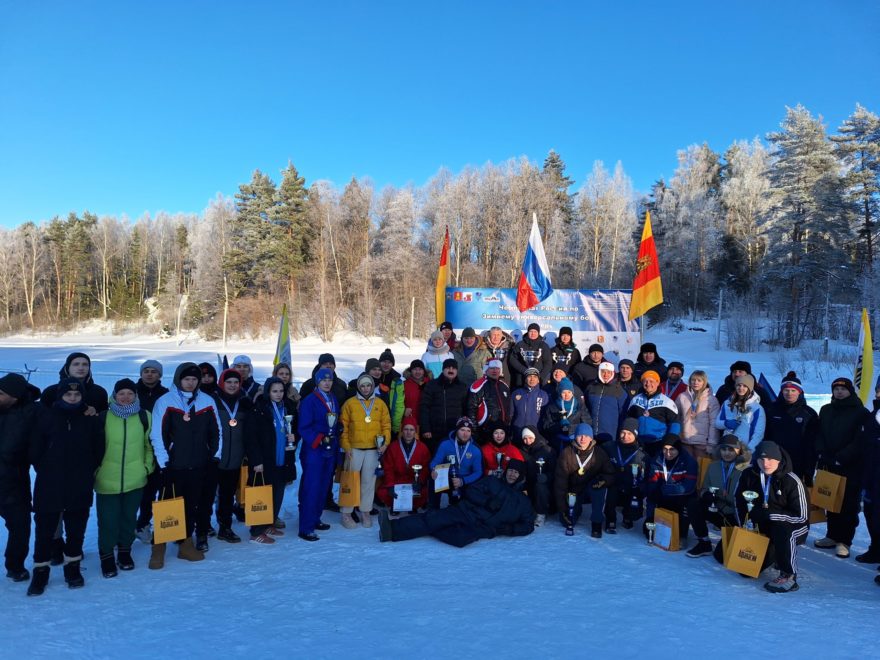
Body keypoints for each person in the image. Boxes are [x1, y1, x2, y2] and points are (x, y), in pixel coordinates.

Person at [27, 378, 104, 596]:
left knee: (76, 531)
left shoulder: (90, 420)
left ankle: (73, 570)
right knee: (44, 532)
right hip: (49, 484)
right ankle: (40, 573)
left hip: (79, 483)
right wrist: (47, 467)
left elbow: (98, 449)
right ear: (60, 396)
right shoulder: (46, 417)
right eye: (68, 395)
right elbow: (35, 449)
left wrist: (87, 467)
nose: (72, 398)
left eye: (77, 395)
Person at [149, 362, 221, 567]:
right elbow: (157, 434)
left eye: (194, 379)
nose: (190, 383)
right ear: (178, 379)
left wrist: (215, 456)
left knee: (191, 506)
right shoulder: (166, 401)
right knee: (166, 506)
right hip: (173, 465)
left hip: (199, 464)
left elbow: (217, 432)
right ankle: (159, 545)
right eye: (186, 379)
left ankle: (185, 543)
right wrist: (164, 464)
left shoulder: (207, 401)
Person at [379, 458, 535, 546]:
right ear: (506, 471)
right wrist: (487, 501)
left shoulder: (523, 501)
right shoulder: (493, 481)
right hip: (466, 511)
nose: (512, 475)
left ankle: (436, 523)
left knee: (460, 540)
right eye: (511, 471)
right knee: (432, 520)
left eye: (516, 473)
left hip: (485, 527)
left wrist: (507, 529)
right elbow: (471, 491)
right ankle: (391, 530)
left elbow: (528, 525)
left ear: (521, 476)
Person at [95, 379, 154, 578]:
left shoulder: (145, 416)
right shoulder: (103, 417)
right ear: (115, 395)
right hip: (106, 479)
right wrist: (96, 471)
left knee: (129, 518)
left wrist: (146, 467)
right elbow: (93, 448)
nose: (126, 397)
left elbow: (149, 445)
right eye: (122, 393)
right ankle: (106, 556)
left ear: (136, 396)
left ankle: (124, 551)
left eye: (130, 393)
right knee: (108, 520)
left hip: (135, 478)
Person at [734, 441, 808, 593]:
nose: (765, 463)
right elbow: (739, 501)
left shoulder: (792, 480)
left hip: (792, 526)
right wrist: (745, 524)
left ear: (779, 459)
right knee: (745, 571)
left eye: (770, 459)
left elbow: (802, 517)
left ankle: (789, 575)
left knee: (783, 532)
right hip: (762, 525)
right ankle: (773, 555)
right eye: (761, 459)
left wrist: (771, 515)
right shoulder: (749, 474)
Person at [813, 377, 871, 559]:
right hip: (829, 462)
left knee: (847, 504)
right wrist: (821, 452)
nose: (839, 392)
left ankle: (844, 541)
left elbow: (860, 440)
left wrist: (843, 456)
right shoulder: (826, 409)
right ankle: (831, 535)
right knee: (831, 500)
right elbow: (819, 432)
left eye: (843, 389)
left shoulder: (861, 412)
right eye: (836, 388)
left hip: (850, 465)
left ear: (850, 391)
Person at [246, 377, 297, 544]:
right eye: (274, 391)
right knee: (262, 496)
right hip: (265, 461)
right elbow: (251, 438)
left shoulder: (288, 406)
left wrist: (294, 436)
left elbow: (295, 428)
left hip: (283, 459)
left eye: (281, 391)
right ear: (268, 391)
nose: (279, 394)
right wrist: (256, 461)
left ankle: (269, 523)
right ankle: (256, 531)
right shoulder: (259, 409)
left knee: (277, 494)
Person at [0, 373, 40, 583]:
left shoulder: (31, 413)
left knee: (20, 527)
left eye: (1, 393)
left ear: (15, 396)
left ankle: (15, 566)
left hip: (14, 483)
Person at [684, 434, 750, 559]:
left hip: (735, 516)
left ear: (739, 450)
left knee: (721, 557)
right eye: (724, 449)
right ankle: (704, 543)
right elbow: (704, 488)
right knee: (694, 504)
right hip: (717, 509)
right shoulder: (714, 466)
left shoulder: (746, 470)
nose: (727, 453)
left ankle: (732, 538)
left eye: (731, 450)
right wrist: (707, 495)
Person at [339, 373, 392, 528]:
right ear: (358, 387)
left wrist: (385, 443)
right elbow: (344, 428)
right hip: (354, 449)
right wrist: (346, 446)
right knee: (350, 481)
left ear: (372, 386)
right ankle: (346, 513)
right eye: (362, 386)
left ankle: (365, 511)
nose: (366, 388)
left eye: (368, 385)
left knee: (369, 482)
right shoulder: (350, 404)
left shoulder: (380, 404)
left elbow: (386, 425)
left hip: (373, 449)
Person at [297, 368, 341, 542]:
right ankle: (305, 527)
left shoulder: (333, 398)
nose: (327, 382)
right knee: (312, 487)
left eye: (329, 380)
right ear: (317, 382)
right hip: (315, 450)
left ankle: (315, 518)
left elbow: (333, 421)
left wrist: (339, 428)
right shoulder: (310, 401)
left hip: (329, 449)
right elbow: (304, 427)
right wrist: (319, 439)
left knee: (323, 486)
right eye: (323, 380)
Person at [211, 368, 254, 543]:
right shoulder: (213, 400)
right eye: (228, 382)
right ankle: (202, 527)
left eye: (236, 382)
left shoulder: (244, 401)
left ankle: (225, 527)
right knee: (207, 496)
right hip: (215, 459)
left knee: (228, 495)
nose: (232, 385)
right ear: (222, 383)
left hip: (236, 458)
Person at [554, 423, 616, 538]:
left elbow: (610, 473)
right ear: (575, 437)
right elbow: (560, 482)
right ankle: (575, 510)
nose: (583, 439)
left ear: (591, 438)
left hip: (592, 488)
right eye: (580, 435)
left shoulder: (599, 453)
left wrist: (603, 481)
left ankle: (596, 523)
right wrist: (562, 508)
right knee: (567, 522)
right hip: (574, 491)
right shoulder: (567, 453)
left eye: (586, 436)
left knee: (600, 490)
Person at [763, 371, 818, 485]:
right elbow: (765, 436)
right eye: (786, 390)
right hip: (775, 459)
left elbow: (811, 444)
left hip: (798, 461)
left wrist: (809, 470)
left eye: (793, 390)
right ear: (781, 391)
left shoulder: (808, 413)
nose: (789, 393)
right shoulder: (771, 409)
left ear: (799, 392)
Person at [643, 434, 699, 541]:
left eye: (672, 449)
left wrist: (664, 489)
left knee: (690, 501)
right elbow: (652, 482)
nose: (668, 453)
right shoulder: (657, 460)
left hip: (681, 496)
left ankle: (682, 534)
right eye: (665, 449)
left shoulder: (689, 461)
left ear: (678, 449)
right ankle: (653, 525)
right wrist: (650, 517)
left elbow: (687, 487)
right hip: (664, 496)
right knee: (652, 495)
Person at [601, 418, 648, 532]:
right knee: (610, 496)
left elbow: (646, 473)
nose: (625, 436)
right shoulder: (610, 446)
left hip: (631, 484)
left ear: (635, 434)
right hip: (613, 482)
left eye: (629, 433)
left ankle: (628, 517)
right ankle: (610, 520)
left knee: (634, 494)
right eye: (623, 432)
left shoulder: (641, 454)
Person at [377, 417, 432, 514]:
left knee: (424, 492)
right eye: (406, 429)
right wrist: (390, 485)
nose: (408, 432)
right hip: (397, 480)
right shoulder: (393, 447)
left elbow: (425, 468)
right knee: (384, 492)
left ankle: (413, 505)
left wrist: (420, 482)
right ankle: (395, 505)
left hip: (413, 481)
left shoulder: (422, 448)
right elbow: (388, 468)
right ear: (402, 431)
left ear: (415, 431)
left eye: (411, 430)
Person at [418, 359, 468, 455]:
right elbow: (424, 408)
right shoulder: (432, 385)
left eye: (453, 368)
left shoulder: (462, 387)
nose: (451, 370)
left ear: (457, 371)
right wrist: (425, 428)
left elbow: (466, 409)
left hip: (455, 432)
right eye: (448, 367)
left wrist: (464, 429)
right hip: (434, 432)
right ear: (443, 369)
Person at [430, 417, 483, 503]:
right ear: (456, 430)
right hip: (447, 477)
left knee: (462, 503)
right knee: (434, 480)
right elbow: (435, 462)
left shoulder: (475, 449)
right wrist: (433, 469)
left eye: (468, 431)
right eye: (462, 430)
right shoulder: (445, 444)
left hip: (465, 479)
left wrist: (463, 481)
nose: (465, 434)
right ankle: (434, 508)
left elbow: (478, 472)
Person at [627, 371, 680, 453]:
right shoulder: (635, 400)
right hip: (638, 442)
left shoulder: (667, 401)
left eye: (651, 381)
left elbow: (675, 423)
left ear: (658, 382)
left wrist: (670, 442)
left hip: (658, 443)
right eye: (645, 381)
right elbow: (629, 420)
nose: (648, 384)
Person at [40, 352, 109, 414]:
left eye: (85, 364)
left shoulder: (99, 392)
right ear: (67, 367)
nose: (81, 368)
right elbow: (41, 417)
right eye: (76, 364)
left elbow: (104, 419)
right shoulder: (51, 391)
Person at [676, 370, 721, 460]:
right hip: (685, 441)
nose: (695, 382)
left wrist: (712, 444)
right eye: (693, 380)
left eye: (699, 380)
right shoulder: (682, 397)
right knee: (687, 470)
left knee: (701, 470)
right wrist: (676, 437)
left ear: (704, 382)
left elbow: (714, 423)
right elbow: (676, 418)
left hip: (703, 444)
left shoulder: (711, 400)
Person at [714, 374, 766, 451]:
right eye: (739, 385)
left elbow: (758, 434)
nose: (741, 388)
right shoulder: (727, 403)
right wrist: (726, 423)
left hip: (744, 449)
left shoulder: (757, 408)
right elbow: (717, 424)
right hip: (727, 447)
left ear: (750, 388)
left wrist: (749, 451)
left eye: (745, 386)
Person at [519, 425, 555, 526]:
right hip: (528, 483)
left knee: (540, 486)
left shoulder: (547, 451)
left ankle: (541, 513)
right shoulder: (521, 451)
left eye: (530, 437)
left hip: (544, 485)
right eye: (524, 438)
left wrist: (546, 477)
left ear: (536, 436)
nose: (527, 441)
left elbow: (555, 471)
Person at [467, 359, 512, 442]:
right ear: (486, 369)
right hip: (485, 431)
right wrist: (474, 431)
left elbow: (509, 409)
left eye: (497, 368)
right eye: (492, 368)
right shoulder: (478, 386)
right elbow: (471, 409)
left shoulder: (504, 386)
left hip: (502, 431)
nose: (495, 371)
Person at [543, 377, 590, 454]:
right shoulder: (551, 407)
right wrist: (559, 425)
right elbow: (546, 426)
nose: (567, 395)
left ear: (572, 393)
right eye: (563, 392)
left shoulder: (579, 406)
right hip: (557, 443)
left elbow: (587, 424)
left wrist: (571, 427)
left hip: (576, 442)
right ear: (559, 393)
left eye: (569, 392)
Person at [585, 361, 628, 445]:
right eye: (603, 371)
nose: (605, 375)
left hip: (610, 434)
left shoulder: (619, 390)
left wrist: (620, 433)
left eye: (608, 372)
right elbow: (585, 408)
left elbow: (624, 414)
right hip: (591, 433)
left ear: (612, 373)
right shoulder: (591, 387)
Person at [510, 367, 550, 440]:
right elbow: (511, 413)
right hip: (518, 430)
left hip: (536, 431)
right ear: (525, 379)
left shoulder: (543, 395)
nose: (532, 379)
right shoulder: (516, 393)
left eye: (535, 377)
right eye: (529, 376)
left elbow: (546, 416)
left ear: (538, 380)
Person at [509, 323, 552, 389]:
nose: (533, 333)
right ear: (528, 332)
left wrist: (540, 377)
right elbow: (513, 360)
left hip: (538, 379)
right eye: (531, 331)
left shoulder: (543, 346)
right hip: (521, 377)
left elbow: (548, 363)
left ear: (538, 333)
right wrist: (524, 370)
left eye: (535, 332)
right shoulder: (520, 345)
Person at [378, 348, 405, 438]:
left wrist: (395, 426)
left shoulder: (397, 381)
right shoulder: (373, 375)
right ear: (379, 362)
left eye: (389, 362)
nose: (386, 364)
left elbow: (399, 405)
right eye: (384, 361)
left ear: (392, 364)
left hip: (389, 418)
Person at [402, 359, 430, 427]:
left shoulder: (430, 384)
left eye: (420, 369)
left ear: (424, 371)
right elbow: (399, 402)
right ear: (410, 371)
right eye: (415, 369)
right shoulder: (404, 385)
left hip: (427, 421)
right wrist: (403, 411)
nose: (417, 372)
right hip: (410, 422)